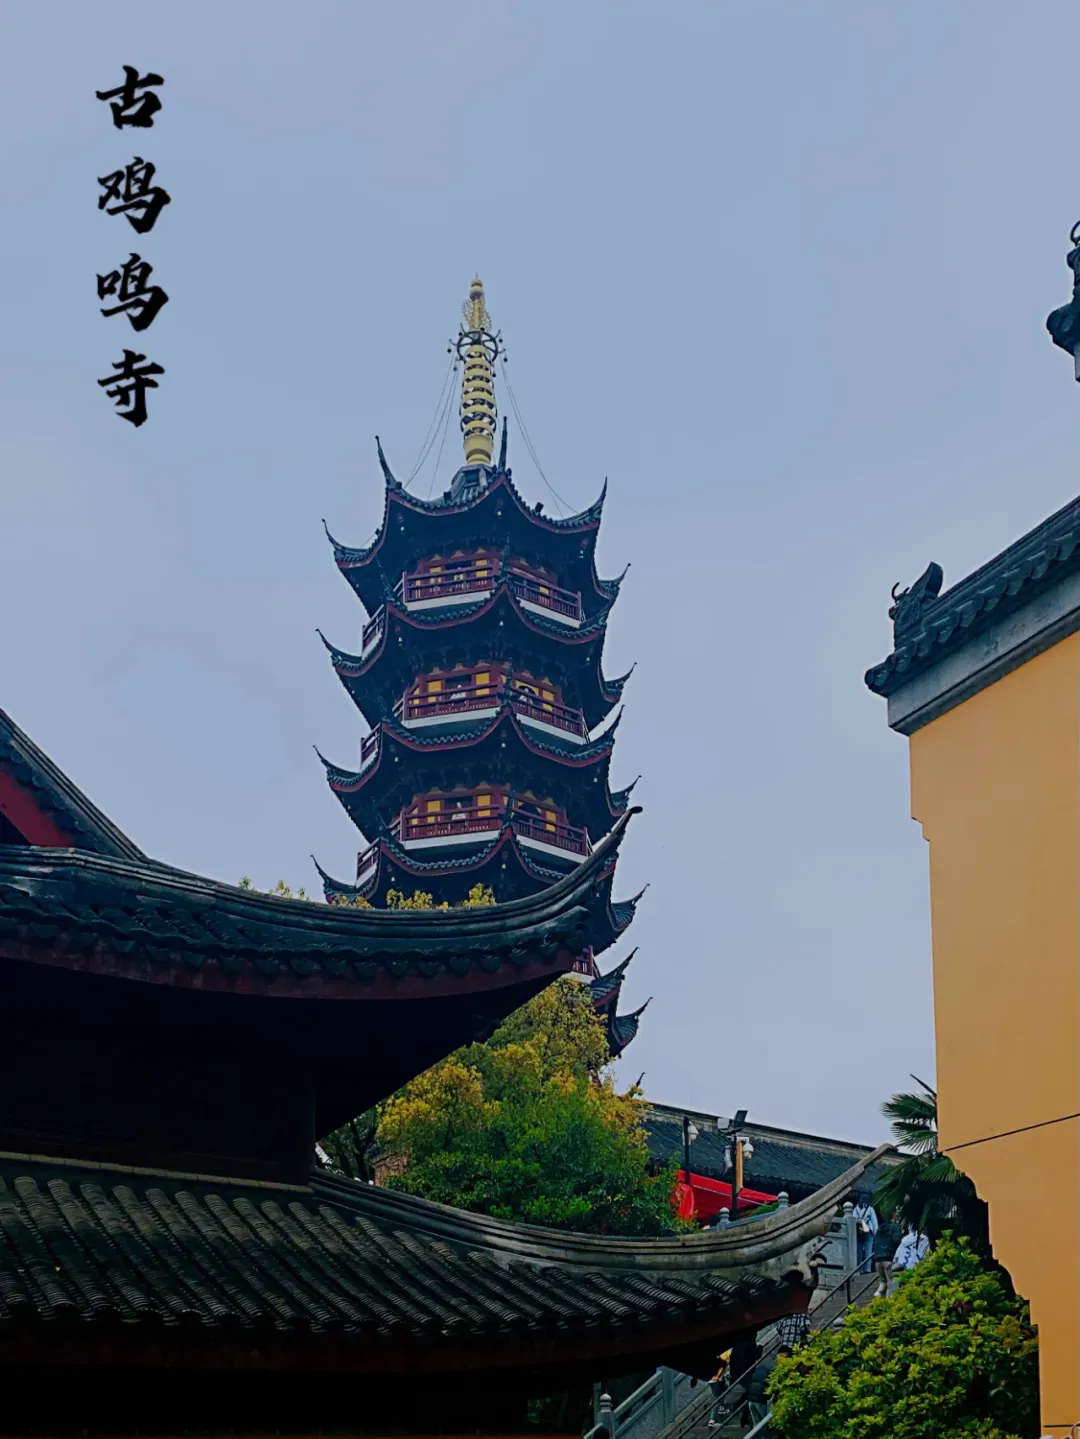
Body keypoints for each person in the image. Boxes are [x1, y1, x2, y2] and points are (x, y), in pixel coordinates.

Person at [746, 1346, 792, 1433]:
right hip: (761, 1399)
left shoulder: (766, 1362)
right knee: (768, 1427)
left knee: (757, 1428)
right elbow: (778, 1386)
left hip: (751, 1397)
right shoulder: (777, 1367)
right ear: (785, 1356)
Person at [850, 1191, 879, 1274]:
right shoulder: (870, 1209)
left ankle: (858, 1268)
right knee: (868, 1251)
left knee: (858, 1251)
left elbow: (853, 1220)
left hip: (859, 1232)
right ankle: (867, 1269)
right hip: (868, 1232)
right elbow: (874, 1222)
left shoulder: (856, 1209)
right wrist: (875, 1234)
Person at [705, 1349, 732, 1428]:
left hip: (714, 1379)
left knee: (725, 1391)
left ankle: (722, 1408)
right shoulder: (726, 1354)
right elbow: (723, 1366)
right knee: (718, 1399)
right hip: (715, 1380)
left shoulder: (722, 1355)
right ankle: (712, 1420)